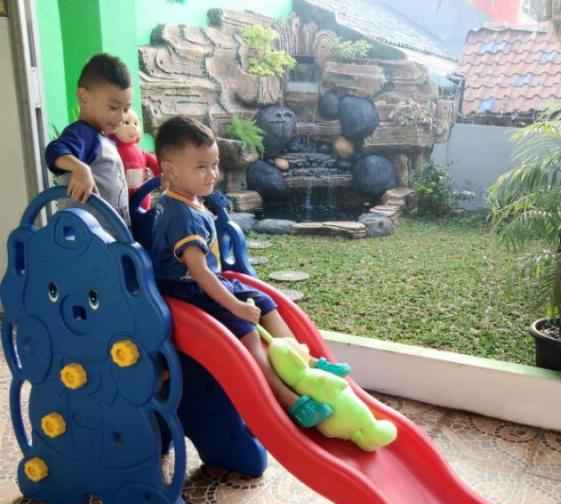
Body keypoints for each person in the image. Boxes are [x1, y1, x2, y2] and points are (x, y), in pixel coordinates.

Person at [150, 116, 349, 428]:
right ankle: (290, 399)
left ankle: (304, 361)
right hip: (187, 289)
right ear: (171, 170)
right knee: (247, 332)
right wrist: (235, 306)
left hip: (209, 282)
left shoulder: (187, 200)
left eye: (214, 165)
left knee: (266, 302)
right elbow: (200, 273)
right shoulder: (180, 216)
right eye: (201, 167)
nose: (212, 174)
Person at [45, 53, 132, 231]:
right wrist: (80, 169)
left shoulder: (102, 138)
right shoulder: (82, 133)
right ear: (83, 97)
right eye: (113, 107)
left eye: (125, 109)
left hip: (110, 236)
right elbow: (54, 150)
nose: (120, 117)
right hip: (89, 239)